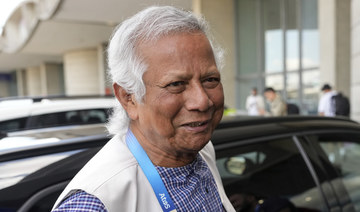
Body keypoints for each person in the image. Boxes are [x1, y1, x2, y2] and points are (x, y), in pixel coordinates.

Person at [52, 6, 235, 212]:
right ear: (129, 98)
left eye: (210, 79)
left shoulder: (201, 149)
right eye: (176, 84)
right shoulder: (94, 205)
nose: (202, 102)